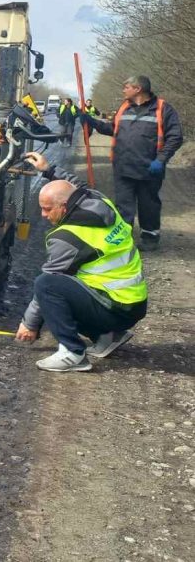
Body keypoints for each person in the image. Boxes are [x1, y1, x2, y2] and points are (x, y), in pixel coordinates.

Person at [14, 151, 147, 372]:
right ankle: (108, 336)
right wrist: (48, 169)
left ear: (64, 208)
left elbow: (49, 283)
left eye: (47, 209)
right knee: (71, 283)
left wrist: (29, 324)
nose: (43, 215)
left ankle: (72, 353)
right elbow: (76, 186)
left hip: (116, 307)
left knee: (47, 285)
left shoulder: (69, 237)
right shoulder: (98, 201)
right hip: (134, 302)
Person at [82, 75, 183, 251]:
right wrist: (92, 122)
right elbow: (112, 128)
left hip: (150, 169)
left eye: (126, 87)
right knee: (123, 206)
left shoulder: (163, 109)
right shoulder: (124, 107)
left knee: (148, 205)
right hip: (123, 167)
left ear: (138, 89)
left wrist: (161, 160)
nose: (123, 90)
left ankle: (150, 239)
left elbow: (175, 137)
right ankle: (122, 239)